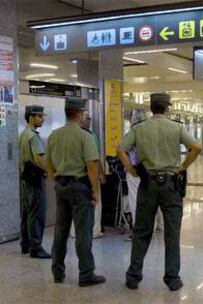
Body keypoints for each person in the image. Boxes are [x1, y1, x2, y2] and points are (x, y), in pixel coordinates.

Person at [117, 93, 202, 291]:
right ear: (167, 108)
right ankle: (172, 278)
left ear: (152, 108)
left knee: (142, 231)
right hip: (171, 185)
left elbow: (120, 148)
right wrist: (182, 166)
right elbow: (196, 147)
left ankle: (133, 276)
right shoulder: (177, 127)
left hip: (147, 184)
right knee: (172, 233)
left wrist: (131, 169)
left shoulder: (139, 128)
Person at [47, 98, 106, 287]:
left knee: (60, 231)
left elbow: (48, 164)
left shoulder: (54, 135)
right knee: (83, 232)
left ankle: (57, 272)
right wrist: (95, 191)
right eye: (84, 114)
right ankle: (86, 274)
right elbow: (91, 165)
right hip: (80, 188)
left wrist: (55, 180)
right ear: (79, 114)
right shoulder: (85, 136)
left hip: (61, 187)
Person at [19, 105, 51, 259]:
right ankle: (36, 247)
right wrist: (51, 172)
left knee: (27, 212)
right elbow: (38, 159)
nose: (42, 119)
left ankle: (25, 244)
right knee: (37, 213)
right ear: (31, 118)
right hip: (34, 177)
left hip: (26, 177)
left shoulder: (24, 134)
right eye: (39, 116)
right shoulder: (33, 136)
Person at [70, 111, 105, 239]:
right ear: (79, 118)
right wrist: (101, 174)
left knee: (76, 206)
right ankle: (95, 231)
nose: (89, 121)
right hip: (89, 175)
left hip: (73, 177)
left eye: (90, 118)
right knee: (96, 203)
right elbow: (95, 159)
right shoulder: (90, 136)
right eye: (87, 118)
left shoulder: (69, 135)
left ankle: (74, 231)